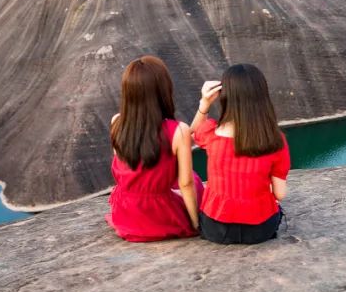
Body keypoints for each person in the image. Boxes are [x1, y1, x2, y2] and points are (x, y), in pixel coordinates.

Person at [190, 63, 290, 244]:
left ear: (225, 96)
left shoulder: (212, 133)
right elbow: (280, 194)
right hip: (259, 230)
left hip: (216, 227)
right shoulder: (275, 140)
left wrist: (204, 104)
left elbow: (192, 134)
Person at [106, 56, 202, 242]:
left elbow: (130, 169)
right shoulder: (178, 130)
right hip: (159, 218)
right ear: (163, 90)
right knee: (195, 179)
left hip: (125, 214)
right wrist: (196, 224)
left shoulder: (117, 122)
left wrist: (203, 108)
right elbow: (186, 184)